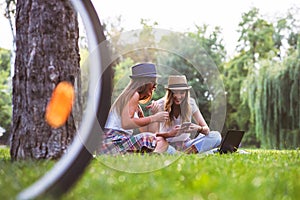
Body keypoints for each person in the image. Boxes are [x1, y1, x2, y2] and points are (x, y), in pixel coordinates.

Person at [101, 63, 170, 154]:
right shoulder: (133, 95)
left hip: (118, 141)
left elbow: (150, 132)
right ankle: (153, 155)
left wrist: (155, 115)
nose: (155, 85)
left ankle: (152, 155)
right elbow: (126, 123)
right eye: (153, 81)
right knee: (152, 139)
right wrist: (154, 118)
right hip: (111, 141)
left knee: (158, 139)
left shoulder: (136, 104)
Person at [149, 75, 222, 154]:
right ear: (170, 93)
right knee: (162, 148)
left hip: (187, 145)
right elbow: (153, 136)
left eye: (182, 93)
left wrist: (199, 129)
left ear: (186, 93)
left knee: (216, 136)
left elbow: (206, 130)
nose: (178, 96)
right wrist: (169, 134)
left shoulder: (191, 103)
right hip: (166, 145)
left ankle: (188, 153)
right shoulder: (159, 105)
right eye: (175, 92)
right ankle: (200, 153)